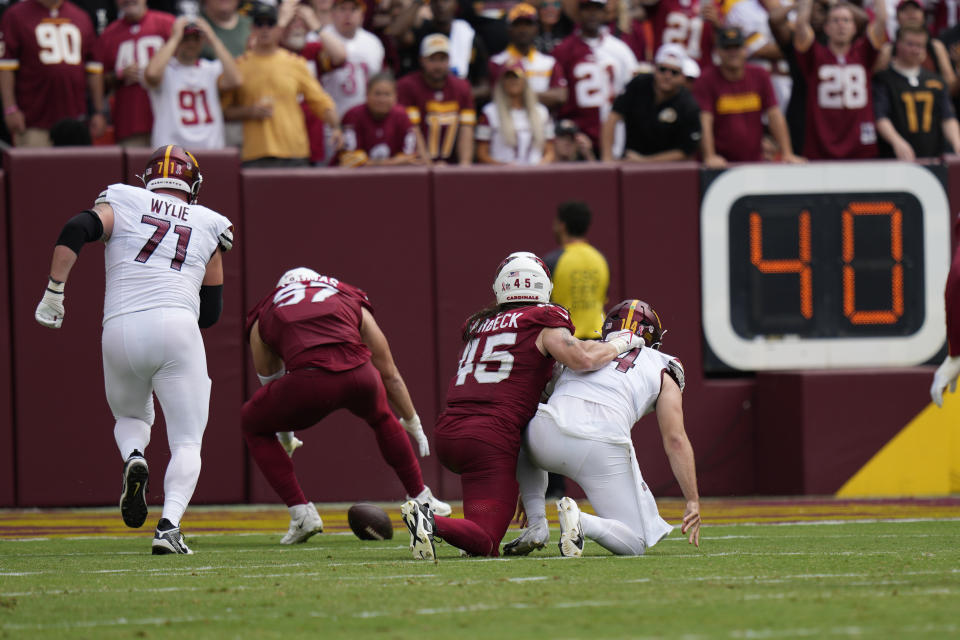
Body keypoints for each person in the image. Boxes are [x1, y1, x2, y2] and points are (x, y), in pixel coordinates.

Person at [33, 145, 235, 554]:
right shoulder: (211, 223)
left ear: (149, 179)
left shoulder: (124, 198)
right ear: (192, 184)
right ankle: (169, 527)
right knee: (186, 442)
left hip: (120, 327)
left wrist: (55, 292)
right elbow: (211, 312)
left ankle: (134, 456)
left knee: (129, 415)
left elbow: (76, 228)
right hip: (177, 325)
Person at [399, 253, 646, 561]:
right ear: (544, 284)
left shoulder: (482, 323)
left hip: (451, 432)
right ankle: (428, 520)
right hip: (489, 440)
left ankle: (433, 525)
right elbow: (582, 359)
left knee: (475, 533)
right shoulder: (543, 320)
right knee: (487, 540)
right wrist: (623, 343)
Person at [242, 267, 451, 545]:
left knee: (251, 421)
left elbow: (271, 383)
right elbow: (389, 372)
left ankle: (301, 513)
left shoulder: (266, 309)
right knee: (381, 416)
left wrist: (286, 437)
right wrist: (412, 420)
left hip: (308, 383)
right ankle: (421, 496)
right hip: (360, 377)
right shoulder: (345, 294)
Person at [504, 299, 701, 557]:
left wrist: (528, 479)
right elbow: (675, 439)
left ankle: (537, 522)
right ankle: (582, 521)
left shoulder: (584, 347)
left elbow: (533, 403)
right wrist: (692, 499)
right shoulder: (663, 364)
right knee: (634, 542)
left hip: (546, 433)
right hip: (602, 445)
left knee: (522, 419)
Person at [221, 1, 341, 166]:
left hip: (294, 151)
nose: (265, 29)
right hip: (255, 153)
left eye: (270, 24)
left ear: (279, 28)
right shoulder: (239, 66)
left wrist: (336, 127)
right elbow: (224, 111)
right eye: (259, 24)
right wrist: (250, 111)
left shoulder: (295, 63)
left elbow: (320, 101)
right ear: (252, 28)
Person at [0, 0, 106, 147]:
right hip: (32, 120)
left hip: (75, 123)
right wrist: (10, 108)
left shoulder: (80, 16)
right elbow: (6, 66)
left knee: (75, 169)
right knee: (34, 169)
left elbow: (94, 69)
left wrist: (98, 111)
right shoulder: (15, 15)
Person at [694, 26, 802, 166]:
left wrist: (787, 153)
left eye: (737, 47)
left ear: (745, 49)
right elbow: (705, 120)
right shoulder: (706, 79)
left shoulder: (760, 75)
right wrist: (710, 156)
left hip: (753, 162)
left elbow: (774, 114)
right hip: (720, 163)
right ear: (718, 51)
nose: (733, 52)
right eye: (727, 48)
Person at [793, 0, 888, 159]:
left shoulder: (864, 52)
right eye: (835, 20)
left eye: (846, 20)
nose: (841, 25)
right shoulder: (815, 55)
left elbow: (882, 20)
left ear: (854, 28)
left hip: (860, 143)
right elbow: (801, 25)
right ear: (826, 28)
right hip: (821, 145)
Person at [552, 0, 639, 153]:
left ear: (604, 12)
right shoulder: (563, 50)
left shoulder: (620, 50)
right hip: (576, 135)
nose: (592, 14)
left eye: (597, 9)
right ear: (579, 12)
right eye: (587, 8)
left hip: (615, 132)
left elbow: (633, 92)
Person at [144, 17, 243, 150]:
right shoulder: (165, 70)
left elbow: (236, 80)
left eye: (196, 39)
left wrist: (212, 38)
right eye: (186, 39)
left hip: (210, 148)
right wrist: (174, 38)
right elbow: (152, 74)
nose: (191, 43)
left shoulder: (210, 68)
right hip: (172, 152)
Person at [601, 43, 702, 162]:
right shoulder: (639, 85)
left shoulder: (688, 105)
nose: (667, 76)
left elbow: (686, 150)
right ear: (655, 69)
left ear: (682, 77)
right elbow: (612, 118)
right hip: (630, 160)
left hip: (669, 170)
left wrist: (645, 161)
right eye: (662, 69)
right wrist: (607, 158)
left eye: (674, 72)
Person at [95, 0, 175, 147]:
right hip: (130, 123)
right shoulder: (109, 34)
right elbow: (98, 80)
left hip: (171, 121)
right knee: (135, 168)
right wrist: (118, 75)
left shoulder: (167, 23)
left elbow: (190, 64)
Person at [874, 25, 960, 159]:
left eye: (920, 45)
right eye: (910, 44)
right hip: (894, 157)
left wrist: (957, 143)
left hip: (932, 156)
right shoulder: (884, 79)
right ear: (898, 45)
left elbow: (947, 117)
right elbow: (880, 116)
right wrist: (896, 141)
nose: (915, 50)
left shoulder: (935, 80)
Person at [396, 33, 475, 165]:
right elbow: (412, 129)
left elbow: (466, 128)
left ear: (449, 60)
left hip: (451, 164)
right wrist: (430, 167)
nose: (438, 65)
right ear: (422, 60)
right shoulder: (407, 86)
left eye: (442, 59)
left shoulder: (462, 87)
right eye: (432, 59)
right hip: (416, 166)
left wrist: (464, 165)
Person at [544, 201, 609, 340]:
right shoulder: (600, 259)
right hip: (598, 341)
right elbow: (603, 299)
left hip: (566, 341)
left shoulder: (552, 261)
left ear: (562, 225)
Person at [488, 3, 568, 111]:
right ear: (509, 29)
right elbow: (495, 96)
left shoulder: (549, 63)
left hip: (542, 122)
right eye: (517, 25)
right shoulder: (496, 62)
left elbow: (560, 96)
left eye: (528, 24)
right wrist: (542, 96)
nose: (523, 29)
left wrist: (518, 95)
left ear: (536, 29)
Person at [339, 71, 427, 166]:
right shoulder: (353, 116)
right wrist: (393, 162)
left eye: (387, 94)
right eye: (377, 94)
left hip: (395, 177)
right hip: (354, 179)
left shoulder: (403, 116)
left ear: (395, 96)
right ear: (367, 94)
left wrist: (373, 163)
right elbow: (351, 163)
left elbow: (411, 158)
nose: (382, 100)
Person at [475, 61, 556, 164]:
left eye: (517, 77)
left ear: (525, 81)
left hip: (536, 173)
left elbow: (550, 151)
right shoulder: (490, 112)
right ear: (502, 82)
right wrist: (503, 167)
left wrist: (540, 165)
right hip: (502, 174)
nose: (513, 81)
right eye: (508, 78)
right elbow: (481, 153)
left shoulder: (541, 112)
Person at [320, 0, 385, 117]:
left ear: (362, 15)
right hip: (329, 118)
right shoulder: (320, 38)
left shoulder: (373, 42)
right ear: (332, 13)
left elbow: (377, 83)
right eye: (342, 9)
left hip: (363, 120)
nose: (348, 14)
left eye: (353, 9)